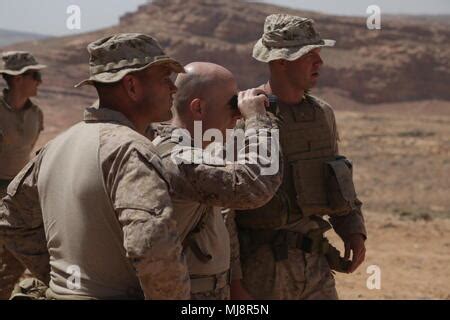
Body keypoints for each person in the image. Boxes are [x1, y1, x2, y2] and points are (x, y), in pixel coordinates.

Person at [0, 33, 191, 300]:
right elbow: (152, 247)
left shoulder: (58, 144)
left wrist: (65, 281)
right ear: (132, 86)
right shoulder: (130, 148)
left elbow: (11, 220)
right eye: (164, 79)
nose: (173, 88)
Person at [236, 14, 367, 300]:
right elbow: (224, 208)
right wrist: (234, 281)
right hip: (261, 270)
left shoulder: (322, 114)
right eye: (309, 54)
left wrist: (354, 230)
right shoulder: (245, 117)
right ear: (280, 61)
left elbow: (338, 177)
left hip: (316, 264)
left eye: (318, 53)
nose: (319, 62)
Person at [152, 62, 282, 299]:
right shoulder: (177, 158)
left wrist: (234, 283)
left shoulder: (199, 153)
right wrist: (257, 120)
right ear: (198, 108)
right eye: (232, 104)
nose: (236, 114)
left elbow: (220, 219)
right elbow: (255, 186)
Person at [0, 51, 46, 300]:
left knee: (14, 259)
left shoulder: (36, 115)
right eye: (34, 75)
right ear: (17, 79)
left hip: (15, 196)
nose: (40, 81)